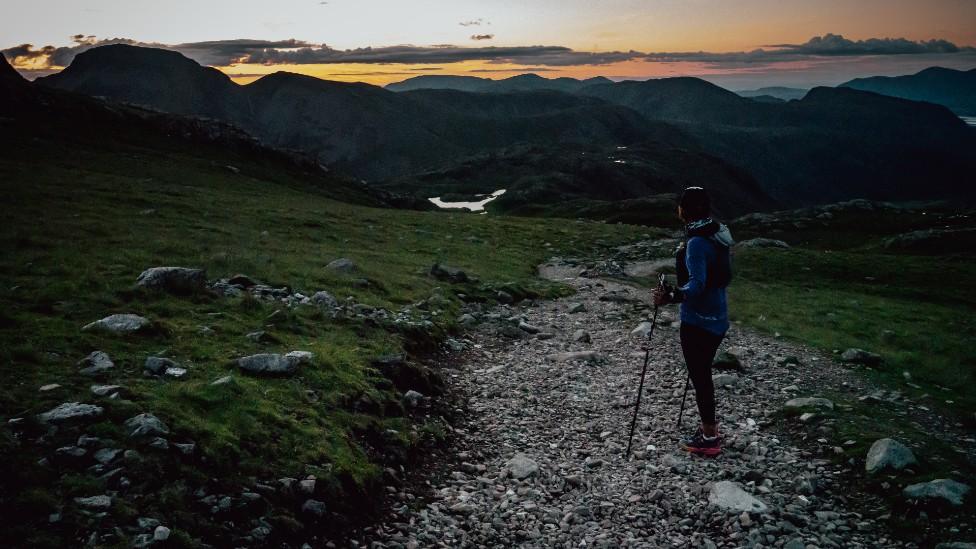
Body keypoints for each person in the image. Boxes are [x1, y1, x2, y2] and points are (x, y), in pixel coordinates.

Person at [653, 187, 733, 456]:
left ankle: (709, 437)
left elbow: (696, 285)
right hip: (718, 318)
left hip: (697, 320)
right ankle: (709, 429)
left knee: (700, 377)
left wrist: (672, 295)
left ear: (683, 211)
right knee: (703, 374)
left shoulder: (697, 242)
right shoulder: (717, 234)